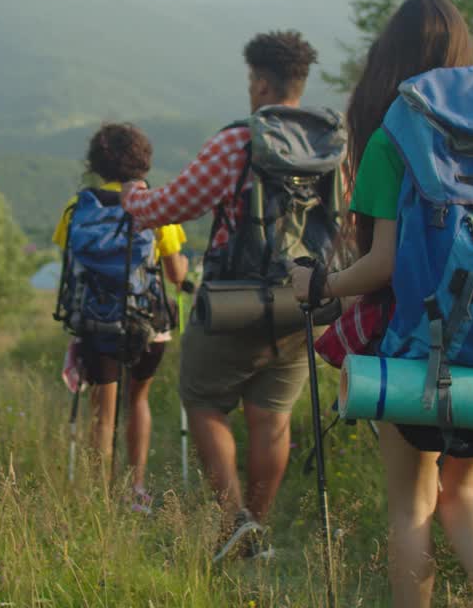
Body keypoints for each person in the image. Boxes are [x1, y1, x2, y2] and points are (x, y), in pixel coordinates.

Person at [292, 0, 473, 608]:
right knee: (461, 493)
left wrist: (322, 285)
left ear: (388, 57)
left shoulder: (393, 135)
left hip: (420, 340)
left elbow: (383, 263)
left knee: (411, 507)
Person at [120, 31, 324, 560]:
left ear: (259, 82)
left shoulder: (238, 142)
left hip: (237, 302)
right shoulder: (333, 142)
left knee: (204, 401)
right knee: (272, 417)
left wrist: (136, 198)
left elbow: (172, 205)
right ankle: (256, 527)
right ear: (300, 82)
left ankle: (235, 521)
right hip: (307, 301)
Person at [53, 122, 188, 506]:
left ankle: (101, 498)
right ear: (142, 161)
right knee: (138, 401)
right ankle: (136, 490)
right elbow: (177, 274)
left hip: (99, 324)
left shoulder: (77, 208)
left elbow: (70, 264)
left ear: (97, 162)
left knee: (103, 413)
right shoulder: (156, 205)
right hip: (148, 323)